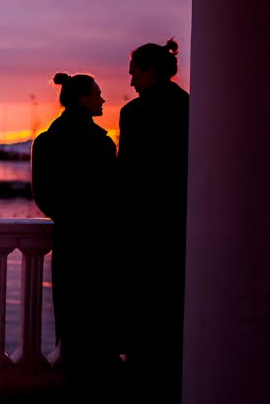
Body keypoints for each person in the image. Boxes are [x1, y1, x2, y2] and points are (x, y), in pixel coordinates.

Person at [31, 72, 123, 398]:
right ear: (83, 99)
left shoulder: (45, 142)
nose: (103, 99)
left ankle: (76, 380)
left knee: (72, 313)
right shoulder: (102, 142)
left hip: (70, 238)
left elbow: (42, 194)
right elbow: (114, 193)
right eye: (98, 94)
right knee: (100, 313)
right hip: (101, 239)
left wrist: (70, 216)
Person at [118, 39, 189, 403]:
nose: (130, 82)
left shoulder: (134, 114)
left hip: (144, 229)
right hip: (183, 227)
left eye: (133, 73)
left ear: (149, 70)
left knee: (144, 319)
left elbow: (127, 174)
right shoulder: (191, 107)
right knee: (175, 315)